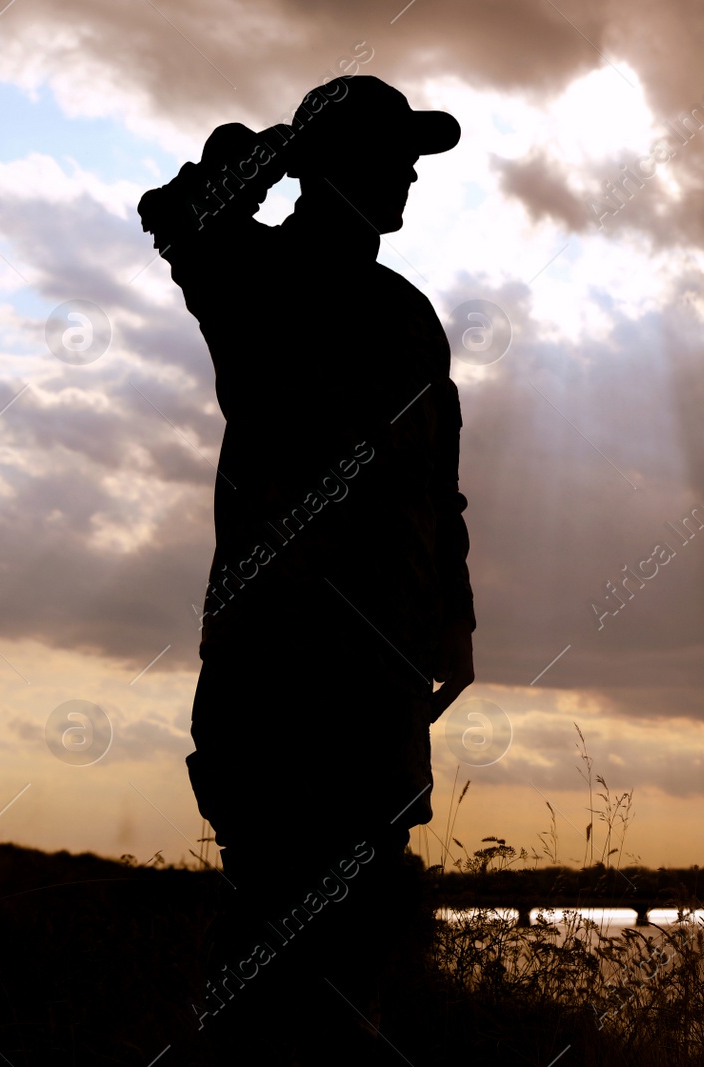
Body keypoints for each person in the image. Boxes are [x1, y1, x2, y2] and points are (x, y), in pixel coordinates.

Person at [138, 75, 475, 1062]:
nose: (412, 170)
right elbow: (177, 214)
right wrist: (283, 152)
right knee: (269, 952)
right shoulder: (251, 273)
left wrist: (452, 623)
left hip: (381, 684)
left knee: (361, 934)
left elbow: (437, 490)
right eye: (391, 152)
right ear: (329, 165)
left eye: (414, 154)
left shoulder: (410, 315)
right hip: (274, 675)